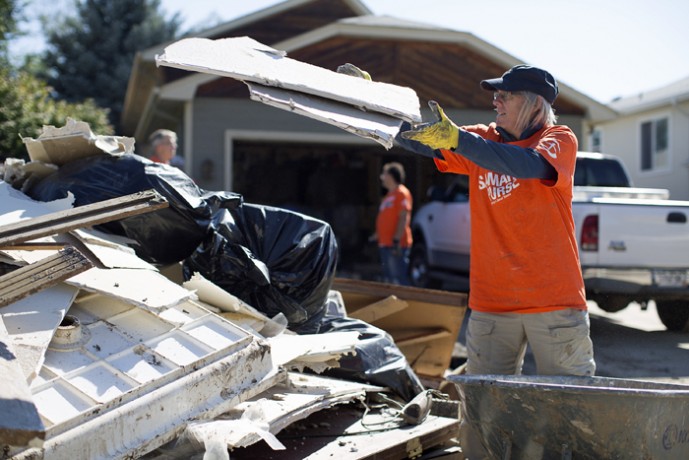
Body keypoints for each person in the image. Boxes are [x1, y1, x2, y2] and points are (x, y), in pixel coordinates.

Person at [398, 65, 596, 458]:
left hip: (553, 303)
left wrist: (457, 139)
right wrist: (377, 108)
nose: (496, 101)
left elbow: (525, 166)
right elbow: (421, 141)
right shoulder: (482, 139)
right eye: (496, 95)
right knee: (484, 416)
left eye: (506, 95)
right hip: (492, 303)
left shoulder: (559, 139)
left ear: (533, 105)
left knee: (571, 411)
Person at [371, 162, 413, 285]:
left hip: (395, 245)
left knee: (398, 279)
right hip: (385, 243)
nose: (382, 177)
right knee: (389, 280)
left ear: (391, 176)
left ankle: (406, 304)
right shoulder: (389, 195)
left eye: (384, 174)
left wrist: (396, 240)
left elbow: (403, 218)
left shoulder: (402, 193)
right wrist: (376, 235)